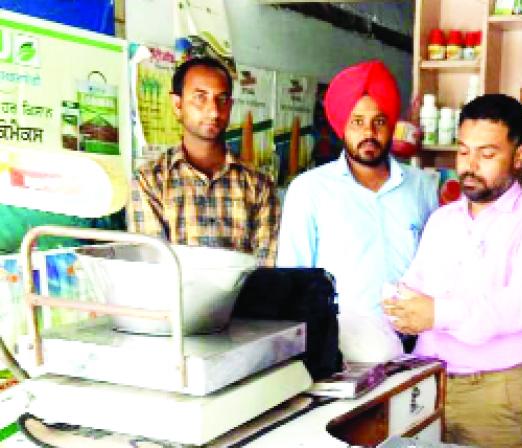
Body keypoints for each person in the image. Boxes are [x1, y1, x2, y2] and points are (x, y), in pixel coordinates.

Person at [383, 94, 522, 448]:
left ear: (519, 155)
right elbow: (415, 283)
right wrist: (398, 307)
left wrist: (437, 313)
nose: (470, 165)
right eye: (464, 151)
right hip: (424, 383)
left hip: (494, 394)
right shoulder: (442, 220)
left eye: (487, 154)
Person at [276, 60, 439, 353]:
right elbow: (293, 281)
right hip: (342, 348)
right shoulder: (309, 190)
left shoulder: (422, 187)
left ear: (391, 125)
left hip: (416, 347)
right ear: (341, 127)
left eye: (379, 121)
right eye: (357, 122)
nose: (369, 133)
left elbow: (438, 268)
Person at [129, 57, 280, 265]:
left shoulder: (259, 184)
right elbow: (154, 266)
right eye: (200, 98)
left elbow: (265, 269)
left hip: (245, 298)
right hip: (175, 297)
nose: (214, 111)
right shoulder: (149, 180)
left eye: (222, 99)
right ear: (178, 104)